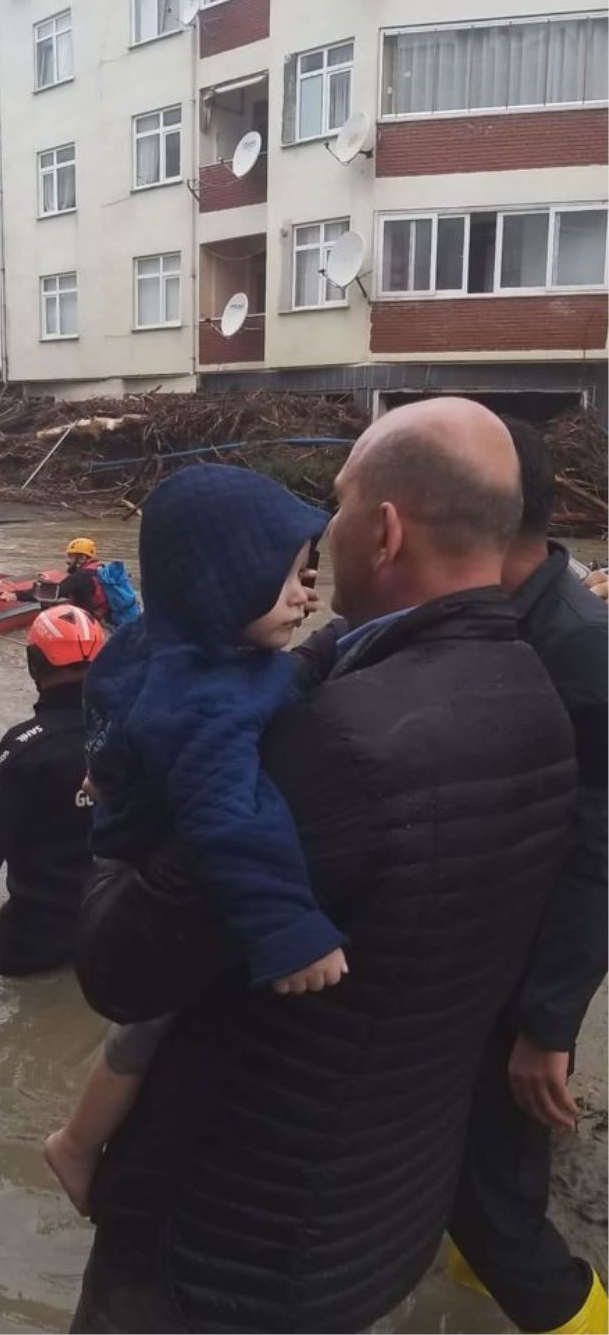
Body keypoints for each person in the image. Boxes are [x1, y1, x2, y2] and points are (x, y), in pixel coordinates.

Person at [69, 398, 577, 1335]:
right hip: (384, 1213)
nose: (322, 534)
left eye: (335, 504)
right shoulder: (538, 696)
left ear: (382, 532)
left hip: (230, 1250)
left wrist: (108, 814)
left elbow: (117, 970)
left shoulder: (335, 749)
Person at [44, 466, 345, 1213]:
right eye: (293, 582)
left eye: (311, 578)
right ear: (225, 585)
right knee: (151, 1026)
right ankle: (76, 1145)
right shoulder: (204, 705)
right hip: (140, 864)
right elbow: (234, 818)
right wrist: (291, 932)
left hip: (118, 834)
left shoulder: (155, 637)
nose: (309, 596)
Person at [447, 417, 608, 1333]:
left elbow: (600, 856)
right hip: (498, 956)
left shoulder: (578, 645)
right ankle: (466, 1288)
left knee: (495, 1197)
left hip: (527, 968)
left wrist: (547, 1023)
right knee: (491, 1168)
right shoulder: (520, 618)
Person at [0, 605, 104, 977]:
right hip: (114, 920)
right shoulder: (129, 728)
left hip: (39, 931)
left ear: (35, 664)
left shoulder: (22, 747)